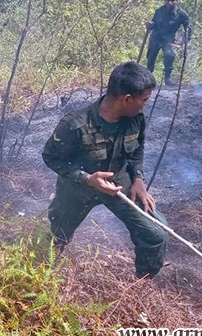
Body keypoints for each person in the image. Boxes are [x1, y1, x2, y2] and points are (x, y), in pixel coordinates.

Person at [42, 62, 169, 278]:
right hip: (77, 189)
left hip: (119, 184)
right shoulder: (75, 124)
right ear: (127, 99)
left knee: (156, 233)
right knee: (58, 237)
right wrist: (87, 178)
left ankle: (142, 286)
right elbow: (51, 158)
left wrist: (138, 179)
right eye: (144, 100)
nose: (145, 105)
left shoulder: (136, 120)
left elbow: (137, 151)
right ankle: (42, 278)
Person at [145, 0, 193, 86]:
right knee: (150, 57)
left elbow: (188, 28)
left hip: (169, 39)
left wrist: (184, 41)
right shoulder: (158, 11)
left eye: (172, 0)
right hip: (156, 37)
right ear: (164, 0)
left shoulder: (181, 14)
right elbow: (154, 25)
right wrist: (149, 25)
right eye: (168, 0)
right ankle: (148, 79)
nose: (170, 3)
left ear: (177, 1)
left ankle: (167, 79)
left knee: (170, 55)